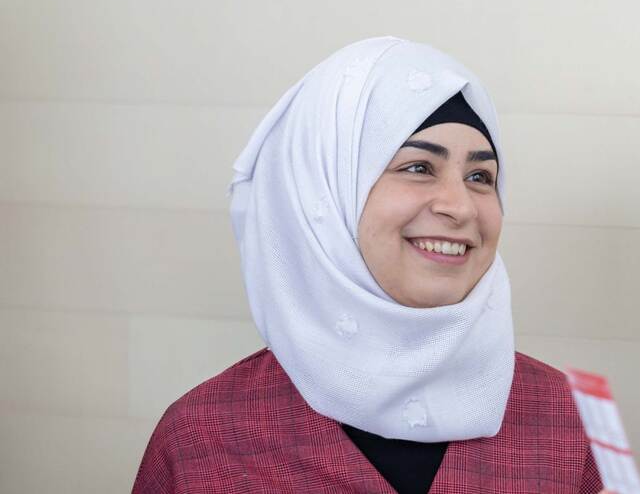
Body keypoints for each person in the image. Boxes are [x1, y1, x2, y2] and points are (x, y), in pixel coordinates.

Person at [133, 37, 602, 493]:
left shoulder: (569, 418)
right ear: (324, 194)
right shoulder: (203, 440)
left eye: (480, 177)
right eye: (418, 167)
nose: (461, 207)